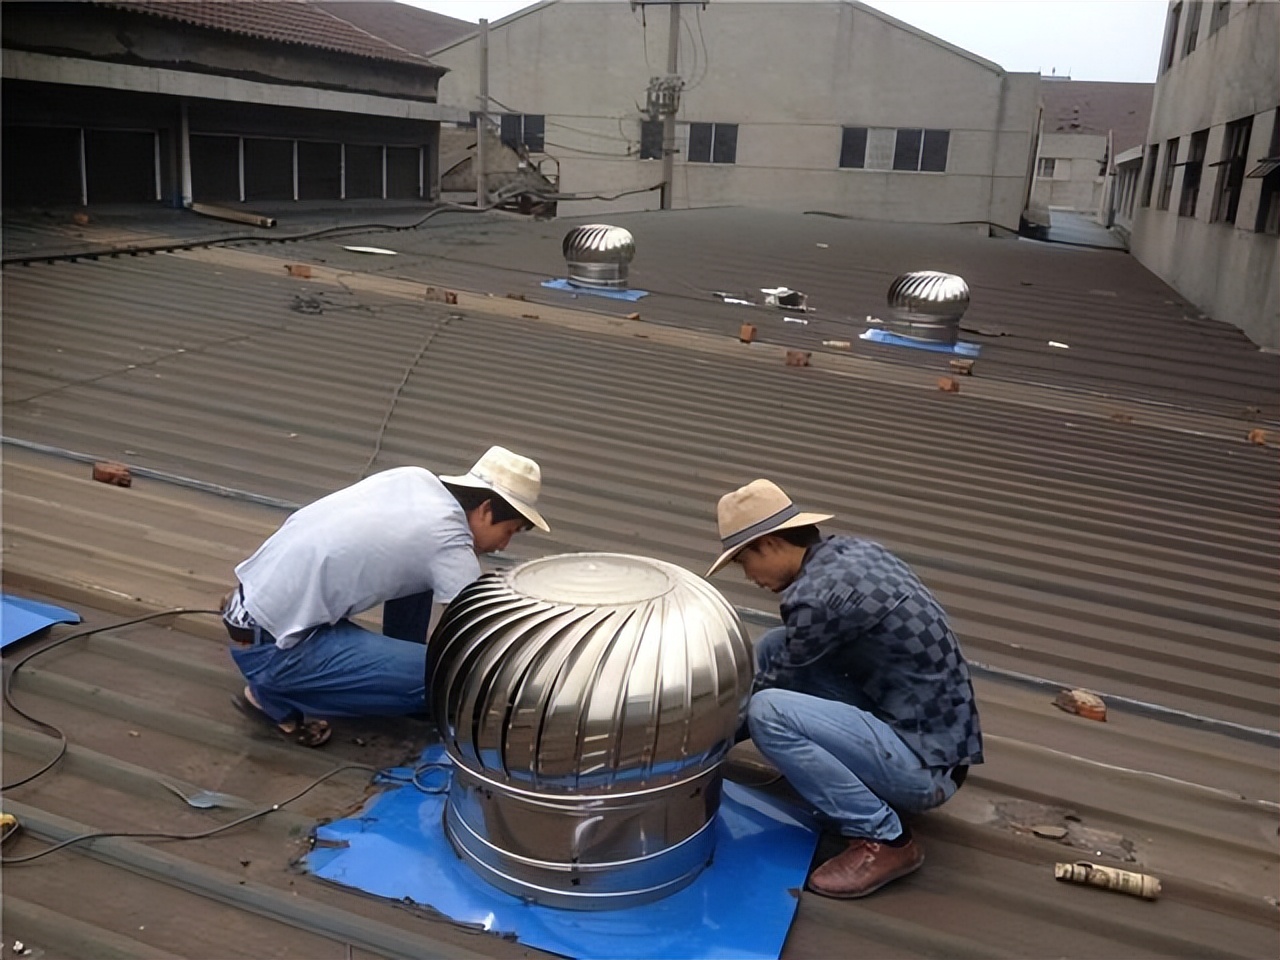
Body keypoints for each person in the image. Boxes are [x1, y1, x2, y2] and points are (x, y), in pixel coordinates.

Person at [707, 479, 982, 898]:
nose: (750, 577)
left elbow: (773, 687)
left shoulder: (815, 598)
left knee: (767, 713)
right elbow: (788, 663)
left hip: (926, 768)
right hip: (934, 739)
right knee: (776, 645)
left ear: (770, 543)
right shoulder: (852, 553)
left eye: (745, 562)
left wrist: (699, 747)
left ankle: (885, 839)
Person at [222, 446, 549, 747]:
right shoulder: (450, 543)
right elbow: (474, 640)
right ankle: (274, 694)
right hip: (274, 650)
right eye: (508, 532)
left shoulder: (413, 479)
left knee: (421, 580)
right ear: (486, 509)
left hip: (247, 610)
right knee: (451, 684)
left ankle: (396, 667)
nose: (502, 547)